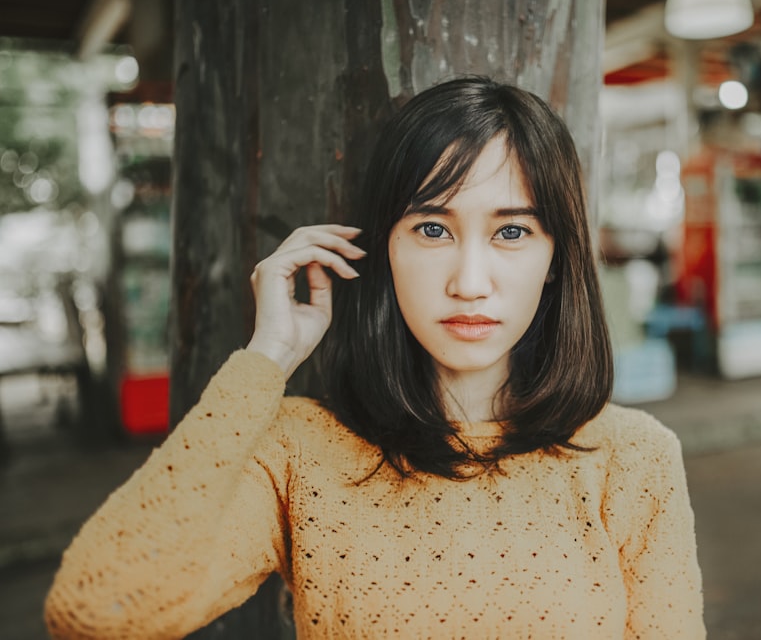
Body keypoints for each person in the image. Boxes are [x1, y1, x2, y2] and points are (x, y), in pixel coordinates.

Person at [45, 76, 705, 639]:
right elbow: (93, 610)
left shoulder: (633, 458)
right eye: (431, 228)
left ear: (556, 257)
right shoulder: (300, 450)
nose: (470, 281)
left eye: (511, 231)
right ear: (383, 251)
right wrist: (265, 359)